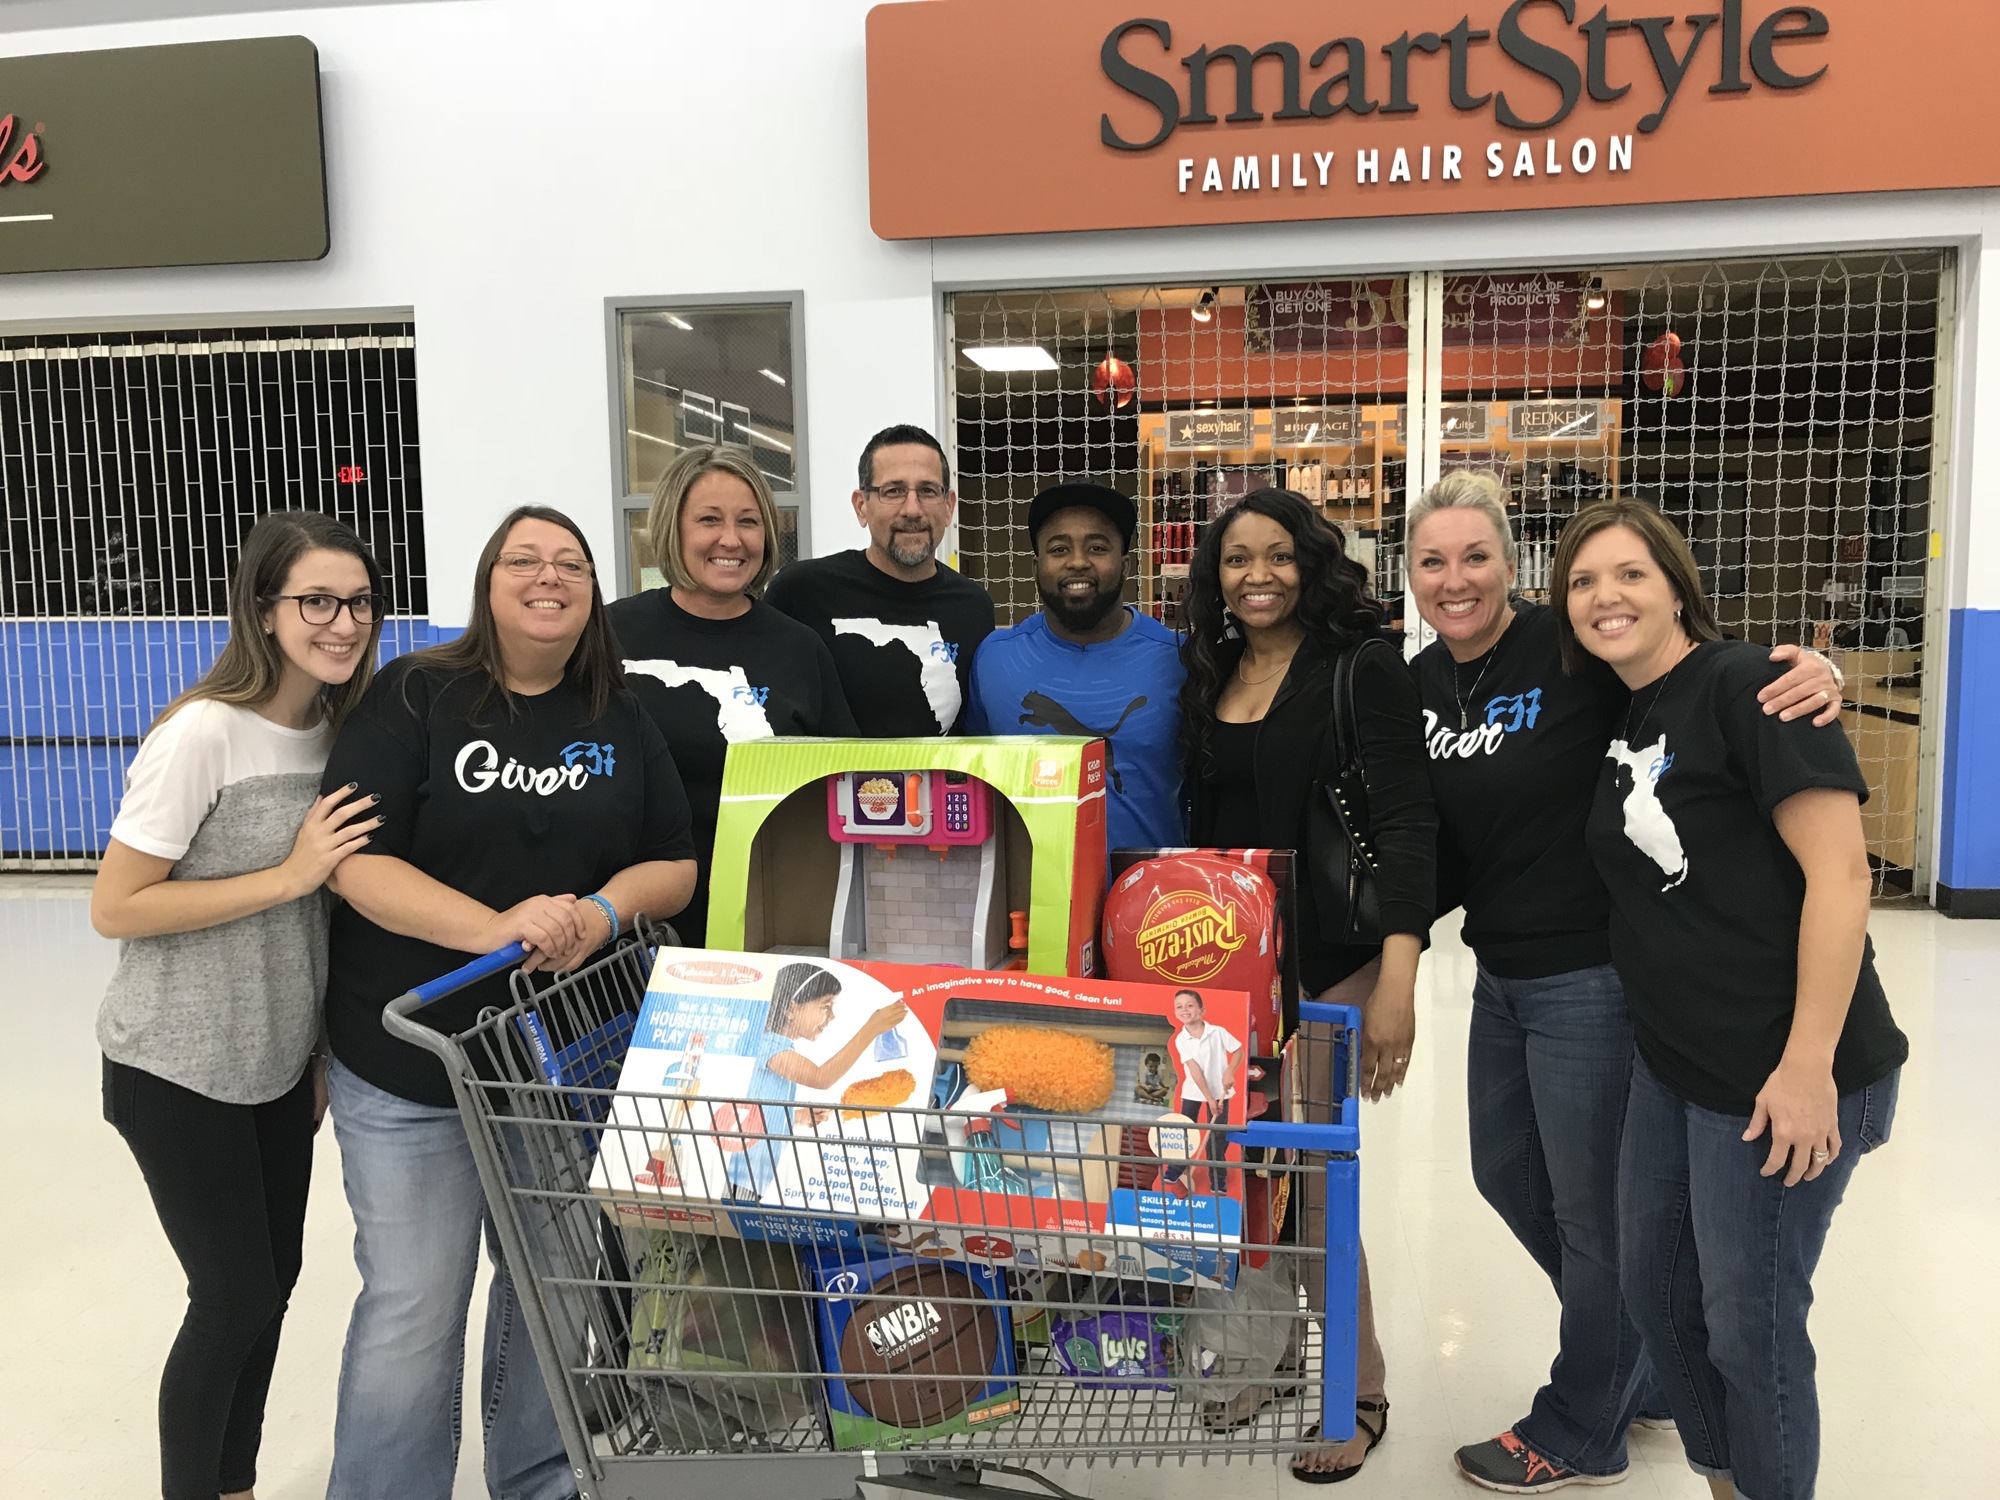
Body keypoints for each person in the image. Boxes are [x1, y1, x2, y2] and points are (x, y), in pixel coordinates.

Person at [1404, 472, 1845, 1493]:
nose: (1455, 578)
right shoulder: (1419, 680)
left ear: (1514, 568)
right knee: (1507, 1177)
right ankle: (1634, 1349)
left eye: (1476, 556)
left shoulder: (1565, 650)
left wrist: (1806, 670)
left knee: (1595, 1218)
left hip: (1594, 977)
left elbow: (1681, 676)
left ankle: (1583, 1418)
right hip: (1499, 971)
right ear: (1411, 575)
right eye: (1432, 560)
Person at [317, 504, 698, 1500]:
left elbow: (673, 864)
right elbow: (352, 866)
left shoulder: (615, 711)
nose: (548, 575)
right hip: (410, 1063)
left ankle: (537, 1479)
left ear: (592, 592)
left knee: (556, 1291)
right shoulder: (415, 697)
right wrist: (497, 929)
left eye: (569, 562)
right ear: (487, 582)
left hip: (556, 1066)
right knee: (414, 1304)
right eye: (522, 559)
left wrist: (599, 913)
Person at [1552, 499, 1905, 1500]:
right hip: (1678, 1067)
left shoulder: (1749, 685)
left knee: (1748, 1326)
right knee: (1660, 1298)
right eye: (1581, 581)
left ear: (1675, 585)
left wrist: (1803, 1071)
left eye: (1627, 574)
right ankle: (1728, 1484)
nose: (1604, 596)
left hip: (1785, 1069)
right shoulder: (1628, 710)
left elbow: (1840, 877)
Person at [89, 511, 386, 1500]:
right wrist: (289, 874)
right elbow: (117, 906)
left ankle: (235, 1486)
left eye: (356, 601)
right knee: (232, 1294)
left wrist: (307, 1056)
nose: (342, 623)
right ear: (264, 609)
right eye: (316, 601)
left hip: (274, 1065)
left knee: (272, 1290)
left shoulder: (337, 731)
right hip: (174, 1063)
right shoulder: (203, 732)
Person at [1178, 488, 1437, 1483]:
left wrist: (1395, 986)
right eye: (1235, 558)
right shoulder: (1211, 670)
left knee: (1317, 1182)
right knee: (1249, 1176)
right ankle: (1279, 1353)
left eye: (1276, 556)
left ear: (1309, 562)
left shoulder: (1359, 668)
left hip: (1331, 963)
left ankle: (1357, 1390)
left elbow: (1408, 825)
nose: (1255, 575)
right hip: (1227, 968)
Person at [608, 443, 856, 946]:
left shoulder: (799, 648)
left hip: (768, 918)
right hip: (632, 928)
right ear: (672, 528)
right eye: (709, 520)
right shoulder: (611, 633)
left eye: (748, 521)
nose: (731, 539)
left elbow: (845, 781)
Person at [965, 480, 1185, 849]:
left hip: (1151, 898)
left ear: (1125, 564)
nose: (1078, 561)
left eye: (1097, 548)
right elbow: (977, 782)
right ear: (1037, 566)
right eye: (1059, 548)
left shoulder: (1179, 658)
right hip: (1026, 896)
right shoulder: (994, 658)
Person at [763, 424, 993, 735]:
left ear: (949, 505)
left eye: (927, 491)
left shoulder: (973, 607)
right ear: (861, 506)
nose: (912, 510)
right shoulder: (800, 593)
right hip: (828, 784)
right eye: (893, 491)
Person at [1167, 988, 1240, 1196]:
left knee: (1217, 1136)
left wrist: (1229, 1072)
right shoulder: (1180, 1040)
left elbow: (1238, 1051)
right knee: (1184, 1131)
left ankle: (1218, 1179)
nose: (1184, 1010)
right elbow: (1195, 1071)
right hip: (1193, 1091)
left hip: (1220, 1090)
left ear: (1202, 1010)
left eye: (1190, 1005)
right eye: (1179, 1007)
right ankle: (1176, 1168)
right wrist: (1209, 1099)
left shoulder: (1218, 1032)